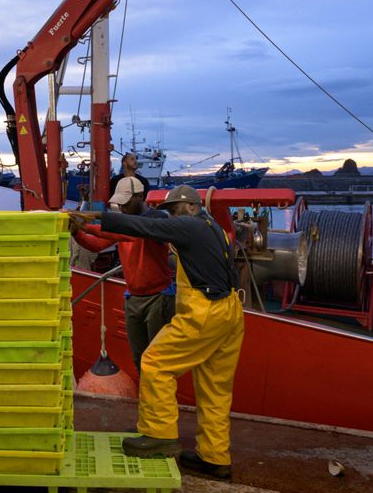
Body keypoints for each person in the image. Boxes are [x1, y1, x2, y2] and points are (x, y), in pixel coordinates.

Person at [70, 185, 244, 480]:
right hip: (230, 311)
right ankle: (215, 457)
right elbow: (146, 227)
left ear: (191, 207)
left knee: (154, 363)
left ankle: (159, 435)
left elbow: (145, 225)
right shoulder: (212, 228)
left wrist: (92, 215)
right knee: (214, 389)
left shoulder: (189, 225)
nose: (173, 217)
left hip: (205, 312)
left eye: (175, 210)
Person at [70, 177, 175, 374]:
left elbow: (129, 232)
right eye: (120, 203)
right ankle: (148, 399)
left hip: (158, 298)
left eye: (126, 202)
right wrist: (77, 233)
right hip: (133, 298)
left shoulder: (157, 220)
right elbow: (96, 245)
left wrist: (87, 225)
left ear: (140, 196)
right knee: (139, 358)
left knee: (158, 359)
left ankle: (159, 402)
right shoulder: (123, 225)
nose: (123, 207)